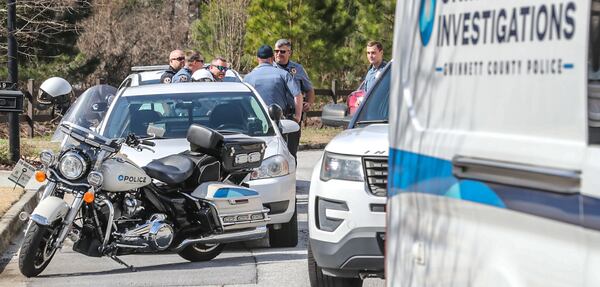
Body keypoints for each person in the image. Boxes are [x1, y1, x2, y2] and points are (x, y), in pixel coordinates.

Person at [244, 44, 303, 161]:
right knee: (286, 153)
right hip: (280, 120)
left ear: (258, 59)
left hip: (256, 123)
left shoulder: (248, 77)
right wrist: (297, 116)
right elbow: (298, 95)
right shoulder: (283, 74)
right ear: (272, 58)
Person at [273, 39, 315, 115]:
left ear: (289, 53)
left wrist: (309, 103)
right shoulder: (269, 68)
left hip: (293, 114)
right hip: (273, 113)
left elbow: (309, 89)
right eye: (276, 51)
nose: (278, 54)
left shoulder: (298, 69)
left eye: (282, 51)